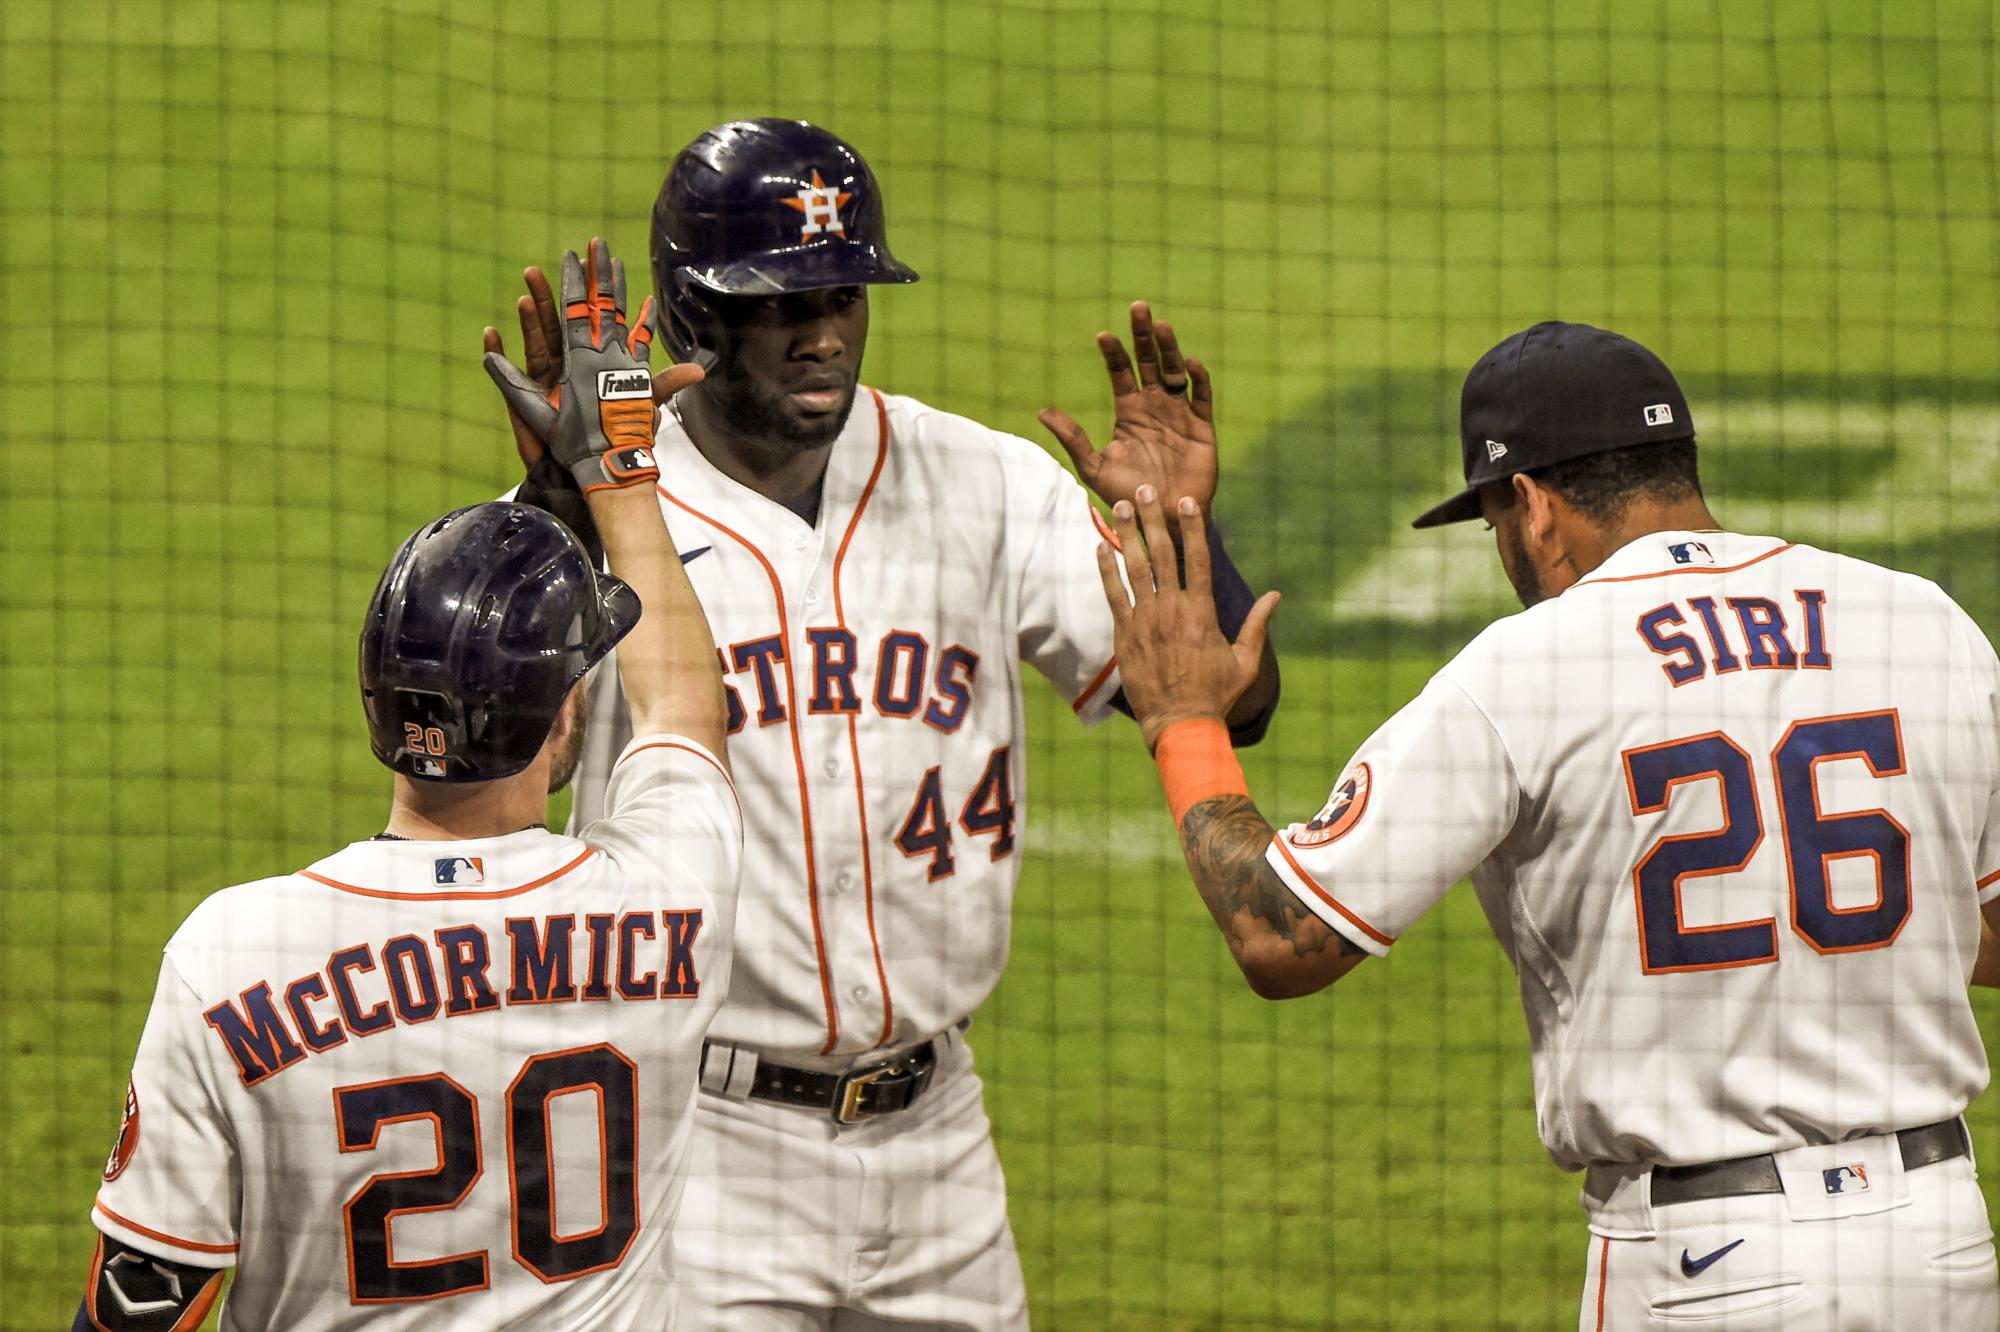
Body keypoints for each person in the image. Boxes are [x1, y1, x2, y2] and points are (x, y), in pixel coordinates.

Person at [481, 118, 1280, 1329]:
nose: (823, 331)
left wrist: (1176, 528)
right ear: (690, 317)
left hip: (940, 1146)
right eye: (779, 300)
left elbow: (1232, 701)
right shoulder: (612, 507)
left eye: (844, 291)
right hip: (702, 1151)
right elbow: (488, 775)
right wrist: (562, 509)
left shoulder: (982, 482)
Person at [1093, 320, 2000, 1330]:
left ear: (1529, 505)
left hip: (1711, 1269)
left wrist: (1182, 724)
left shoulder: (1526, 668)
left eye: (1487, 521)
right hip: (1939, 1241)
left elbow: (1281, 934)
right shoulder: (1917, 621)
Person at [78, 242, 741, 1329]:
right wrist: (616, 467)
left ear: (375, 702)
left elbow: (146, 1300)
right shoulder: (667, 900)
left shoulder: (229, 954)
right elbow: (681, 705)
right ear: (563, 709)